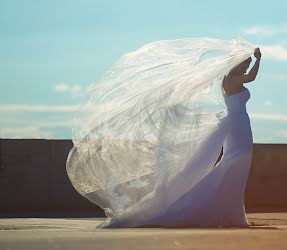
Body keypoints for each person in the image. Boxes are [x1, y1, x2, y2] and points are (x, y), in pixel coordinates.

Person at [66, 37, 261, 228]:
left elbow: (248, 79)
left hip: (239, 123)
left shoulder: (229, 78)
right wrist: (258, 59)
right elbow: (251, 77)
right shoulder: (232, 79)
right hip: (236, 123)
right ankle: (221, 211)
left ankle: (230, 212)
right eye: (244, 63)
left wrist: (254, 59)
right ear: (236, 63)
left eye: (248, 64)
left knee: (235, 163)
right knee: (234, 162)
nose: (246, 67)